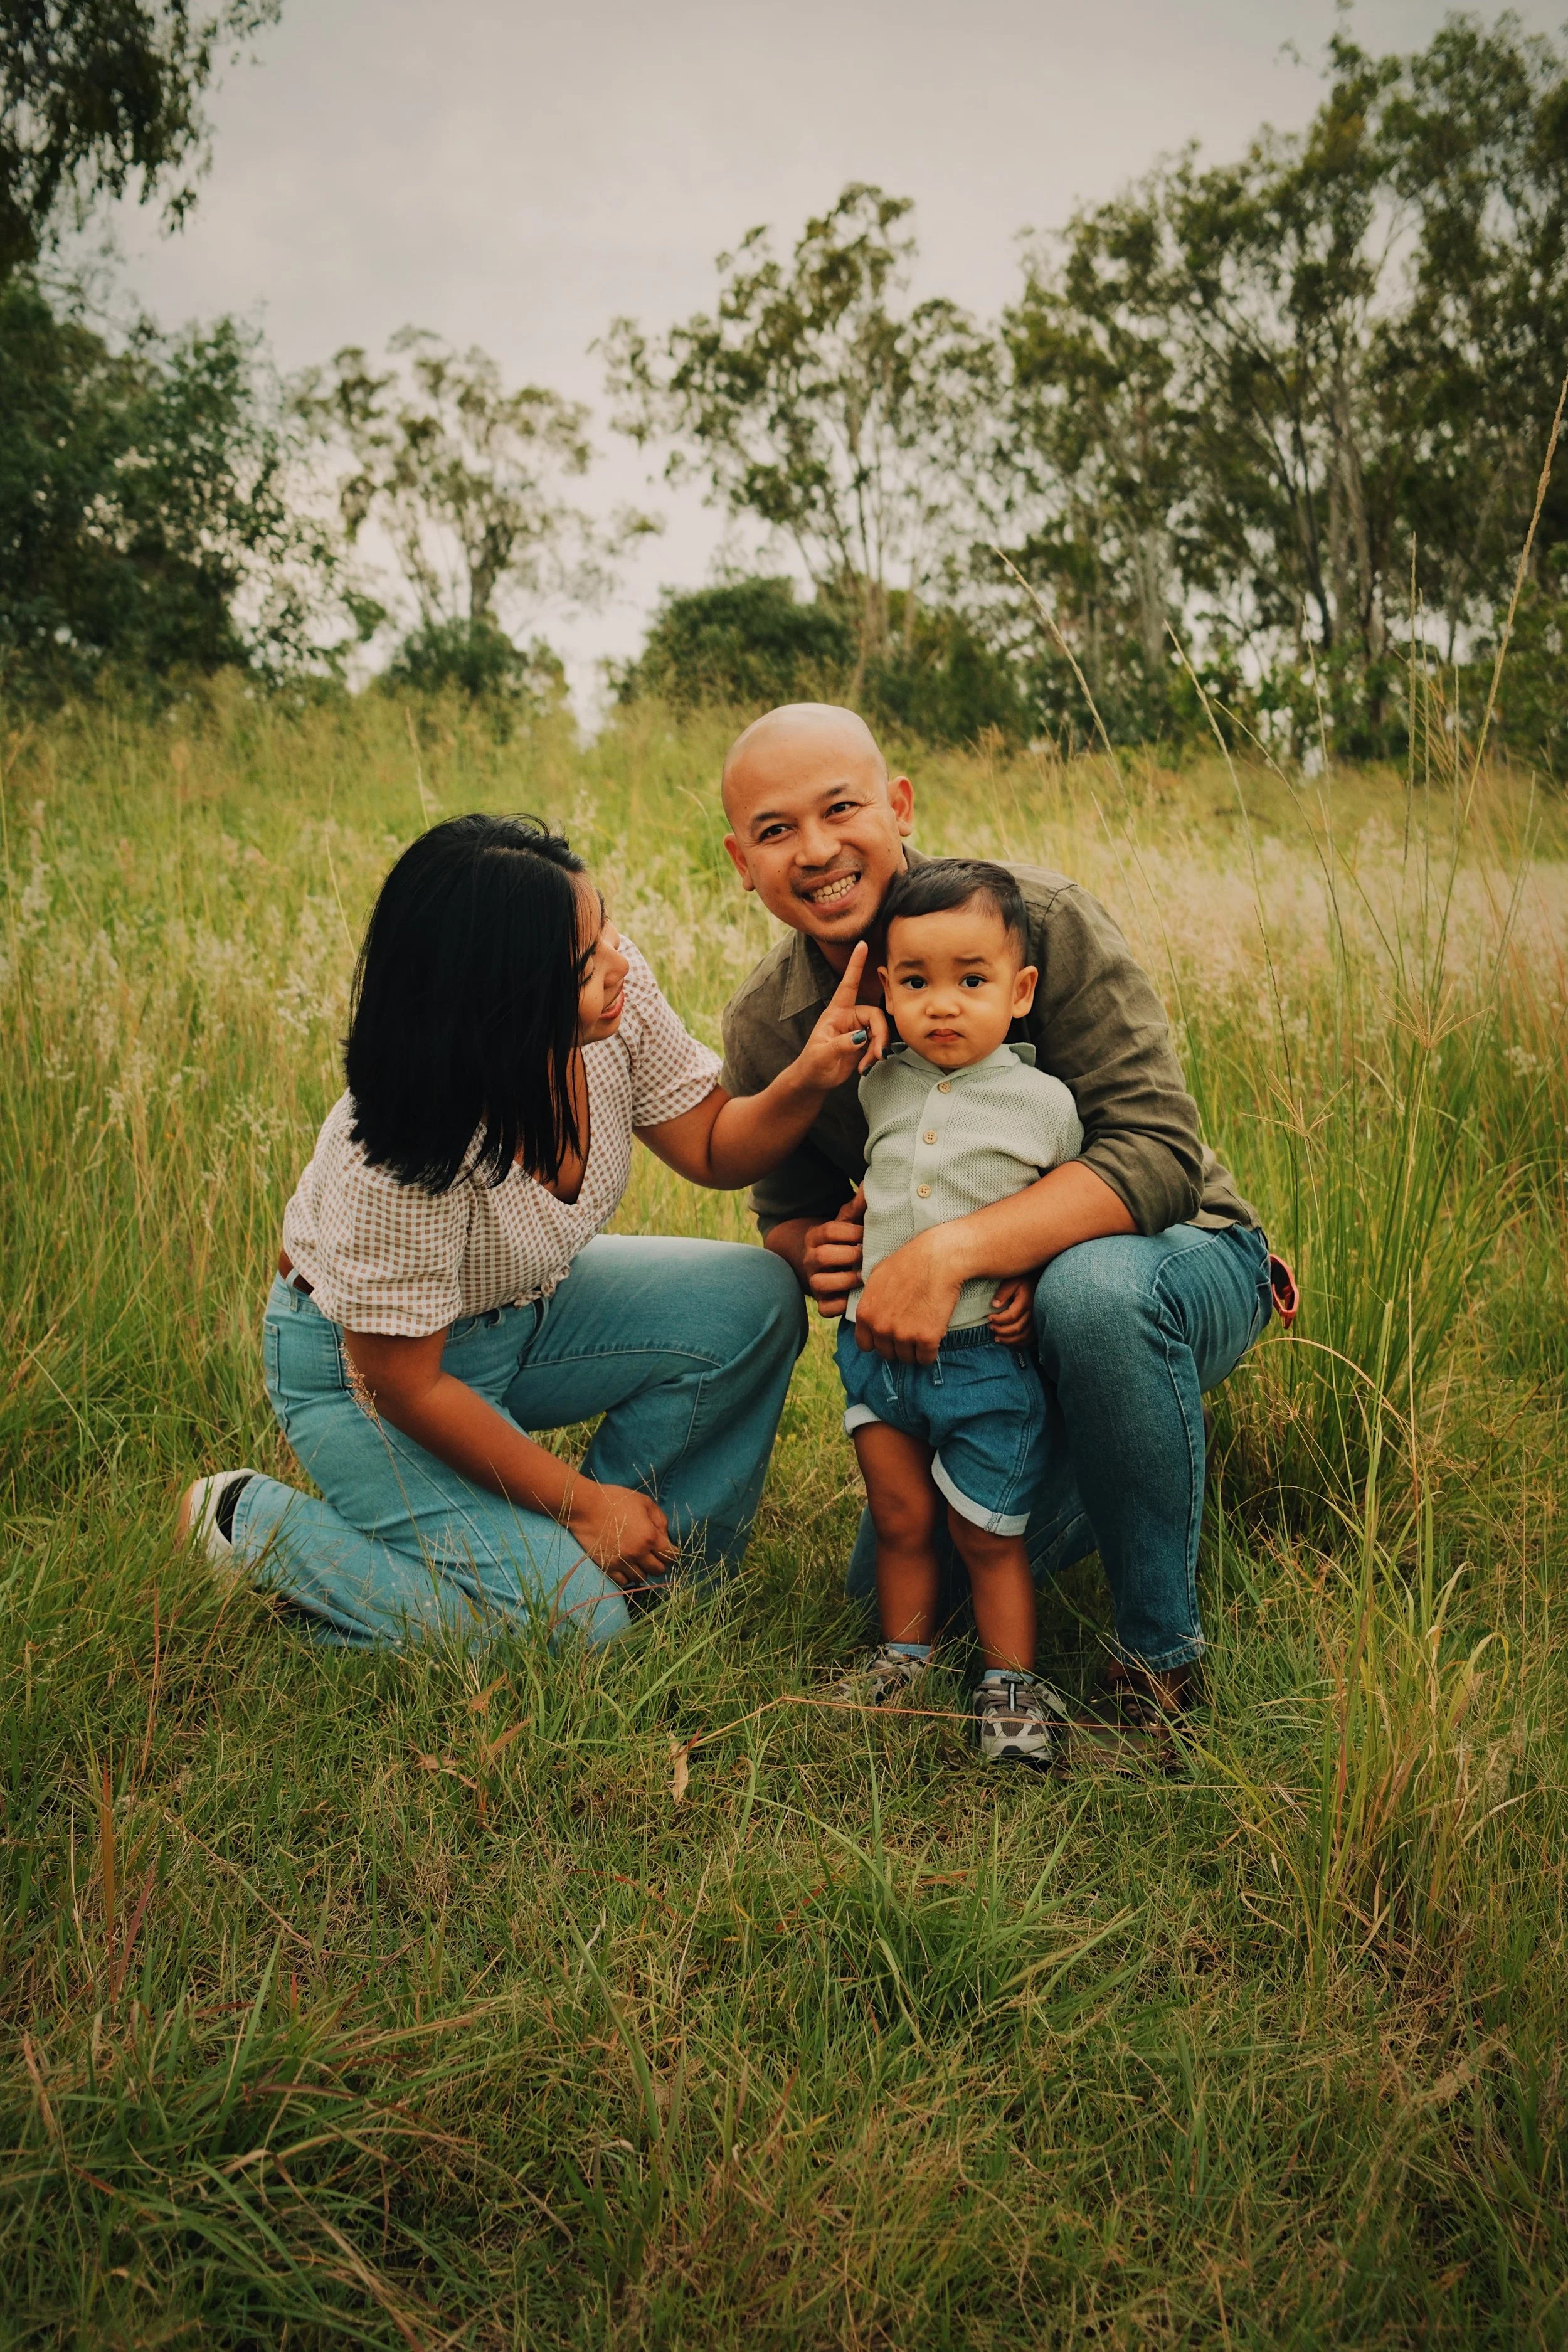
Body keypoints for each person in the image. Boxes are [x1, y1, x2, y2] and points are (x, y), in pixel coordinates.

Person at [177, 812, 886, 1650]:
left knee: (752, 1298)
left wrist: (808, 1077)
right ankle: (249, 1525)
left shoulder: (613, 1008)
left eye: (606, 928)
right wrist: (582, 1505)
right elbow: (405, 1384)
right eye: (586, 960)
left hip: (524, 1313)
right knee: (575, 1633)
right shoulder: (404, 1148)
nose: (619, 961)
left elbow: (710, 1142)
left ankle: (659, 1588)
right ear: (502, 997)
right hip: (369, 1380)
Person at [718, 704, 1276, 1727]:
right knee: (903, 1593)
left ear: (898, 805)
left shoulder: (1041, 919)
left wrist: (952, 1251)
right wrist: (816, 1251)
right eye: (775, 830)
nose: (818, 849)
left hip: (1177, 1260)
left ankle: (1158, 1660)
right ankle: (1110, 1455)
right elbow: (788, 1216)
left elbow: (1156, 1155)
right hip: (976, 1350)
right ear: (741, 862)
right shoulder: (769, 1022)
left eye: (841, 809)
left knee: (1092, 1294)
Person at [832, 858, 1084, 1767]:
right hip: (874, 1353)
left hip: (983, 1362)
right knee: (900, 1518)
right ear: (886, 991)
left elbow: (1069, 1206)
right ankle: (903, 1660)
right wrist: (859, 1031)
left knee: (986, 1533)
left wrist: (1034, 1270)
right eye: (915, 983)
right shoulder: (880, 1082)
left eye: (971, 981)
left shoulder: (1046, 1104)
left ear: (1020, 992)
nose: (942, 1004)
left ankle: (1009, 1692)